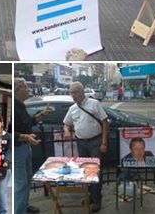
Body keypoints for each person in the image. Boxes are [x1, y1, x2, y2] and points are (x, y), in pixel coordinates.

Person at [63, 82, 109, 212]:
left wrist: (104, 143)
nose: (73, 96)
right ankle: (89, 196)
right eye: (71, 93)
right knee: (85, 171)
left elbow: (105, 123)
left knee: (95, 171)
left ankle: (97, 198)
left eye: (75, 92)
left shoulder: (94, 104)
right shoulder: (72, 108)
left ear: (82, 92)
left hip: (95, 142)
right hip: (81, 143)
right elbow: (66, 123)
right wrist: (67, 131)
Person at [14, 78, 52, 214]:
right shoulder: (13, 106)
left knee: (28, 178)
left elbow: (29, 122)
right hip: (17, 150)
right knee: (20, 184)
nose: (29, 90)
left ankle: (25, 205)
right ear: (18, 90)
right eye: (26, 88)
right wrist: (25, 137)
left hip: (25, 146)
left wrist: (42, 114)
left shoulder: (21, 105)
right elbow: (9, 133)